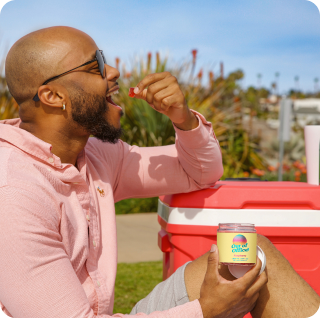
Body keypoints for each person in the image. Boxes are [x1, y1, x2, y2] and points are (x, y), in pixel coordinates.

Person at [0, 26, 319, 318]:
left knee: (250, 254)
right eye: (96, 65)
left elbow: (201, 171)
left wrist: (183, 120)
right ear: (53, 96)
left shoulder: (97, 157)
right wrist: (204, 311)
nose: (113, 72)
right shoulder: (13, 195)